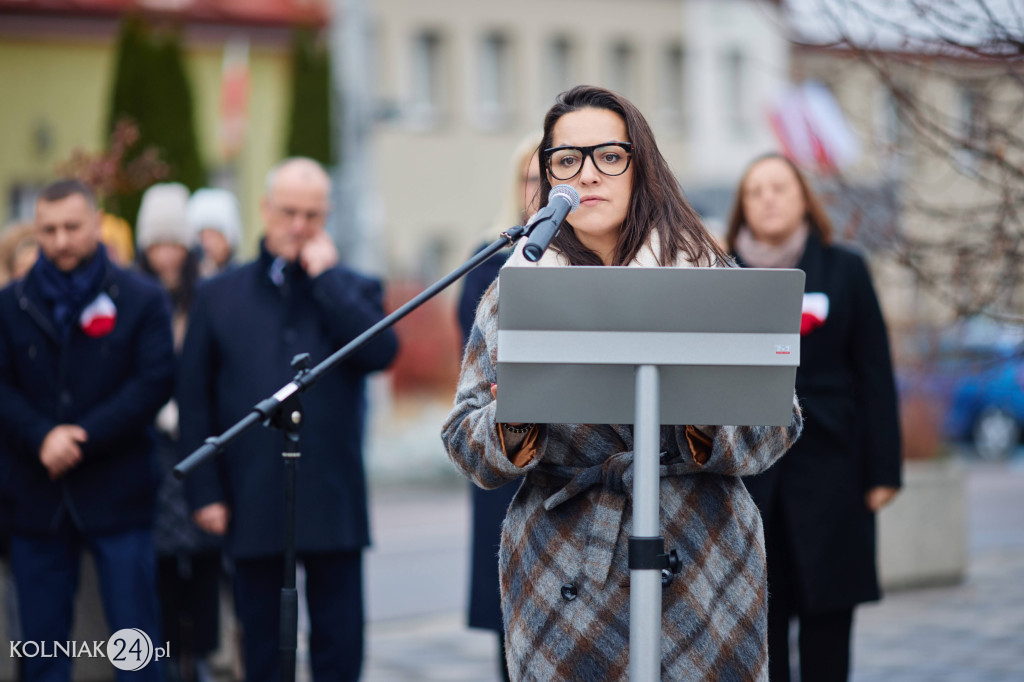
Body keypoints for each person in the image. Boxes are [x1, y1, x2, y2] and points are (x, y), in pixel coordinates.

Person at [441, 86, 804, 680]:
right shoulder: (516, 288)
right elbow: (464, 440)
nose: (586, 175)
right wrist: (511, 423)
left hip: (703, 561)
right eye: (566, 160)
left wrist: (703, 409)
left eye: (609, 156)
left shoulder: (707, 275)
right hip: (564, 571)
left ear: (642, 167)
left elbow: (779, 422)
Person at [178, 157, 399, 682]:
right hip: (251, 494)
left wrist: (326, 280)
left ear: (327, 214)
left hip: (332, 495)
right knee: (262, 645)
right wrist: (205, 492)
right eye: (288, 212)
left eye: (312, 214)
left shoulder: (354, 287)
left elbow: (381, 352)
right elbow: (194, 396)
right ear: (264, 209)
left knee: (340, 644)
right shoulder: (218, 294)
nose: (299, 226)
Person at [725, 153, 902, 682]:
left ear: (803, 196)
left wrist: (882, 473)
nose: (768, 199)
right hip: (750, 477)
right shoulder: (719, 273)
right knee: (761, 623)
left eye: (779, 187)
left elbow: (874, 373)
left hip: (833, 470)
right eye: (755, 191)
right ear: (742, 208)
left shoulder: (845, 268)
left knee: (828, 622)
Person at [0, 179, 174, 682]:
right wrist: (41, 437)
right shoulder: (10, 304)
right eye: (48, 229)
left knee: (134, 646)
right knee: (40, 650)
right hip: (36, 496)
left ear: (96, 224)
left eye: (72, 227)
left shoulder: (141, 299)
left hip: (119, 492)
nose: (60, 240)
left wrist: (81, 437)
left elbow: (154, 381)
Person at [456, 132, 541, 682]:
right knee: (512, 614)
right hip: (508, 443)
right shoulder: (490, 258)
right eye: (532, 179)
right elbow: (476, 355)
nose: (542, 191)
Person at [135, 183, 221, 682]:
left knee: (205, 557)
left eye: (173, 242)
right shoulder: (134, 294)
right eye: (156, 243)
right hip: (151, 446)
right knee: (161, 561)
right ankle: (168, 656)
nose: (165, 254)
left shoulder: (205, 292)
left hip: (198, 440)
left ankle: (203, 655)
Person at [187, 188, 241, 278]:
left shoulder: (240, 276)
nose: (206, 243)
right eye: (202, 236)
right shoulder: (191, 278)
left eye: (213, 235)